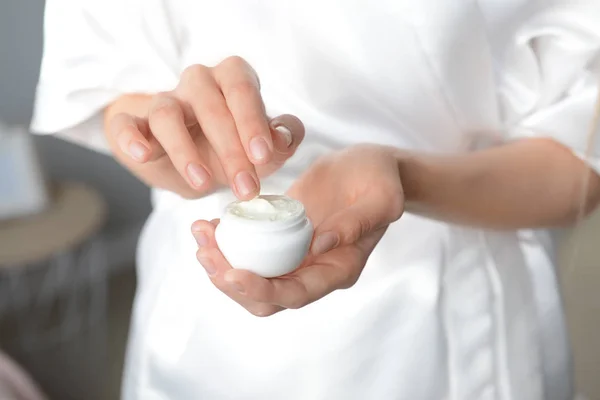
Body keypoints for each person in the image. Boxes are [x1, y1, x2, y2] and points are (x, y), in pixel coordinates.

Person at [32, 0, 600, 399]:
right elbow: (111, 86)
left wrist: (407, 177)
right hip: (212, 328)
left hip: (456, 323)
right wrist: (177, 148)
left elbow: (581, 159)